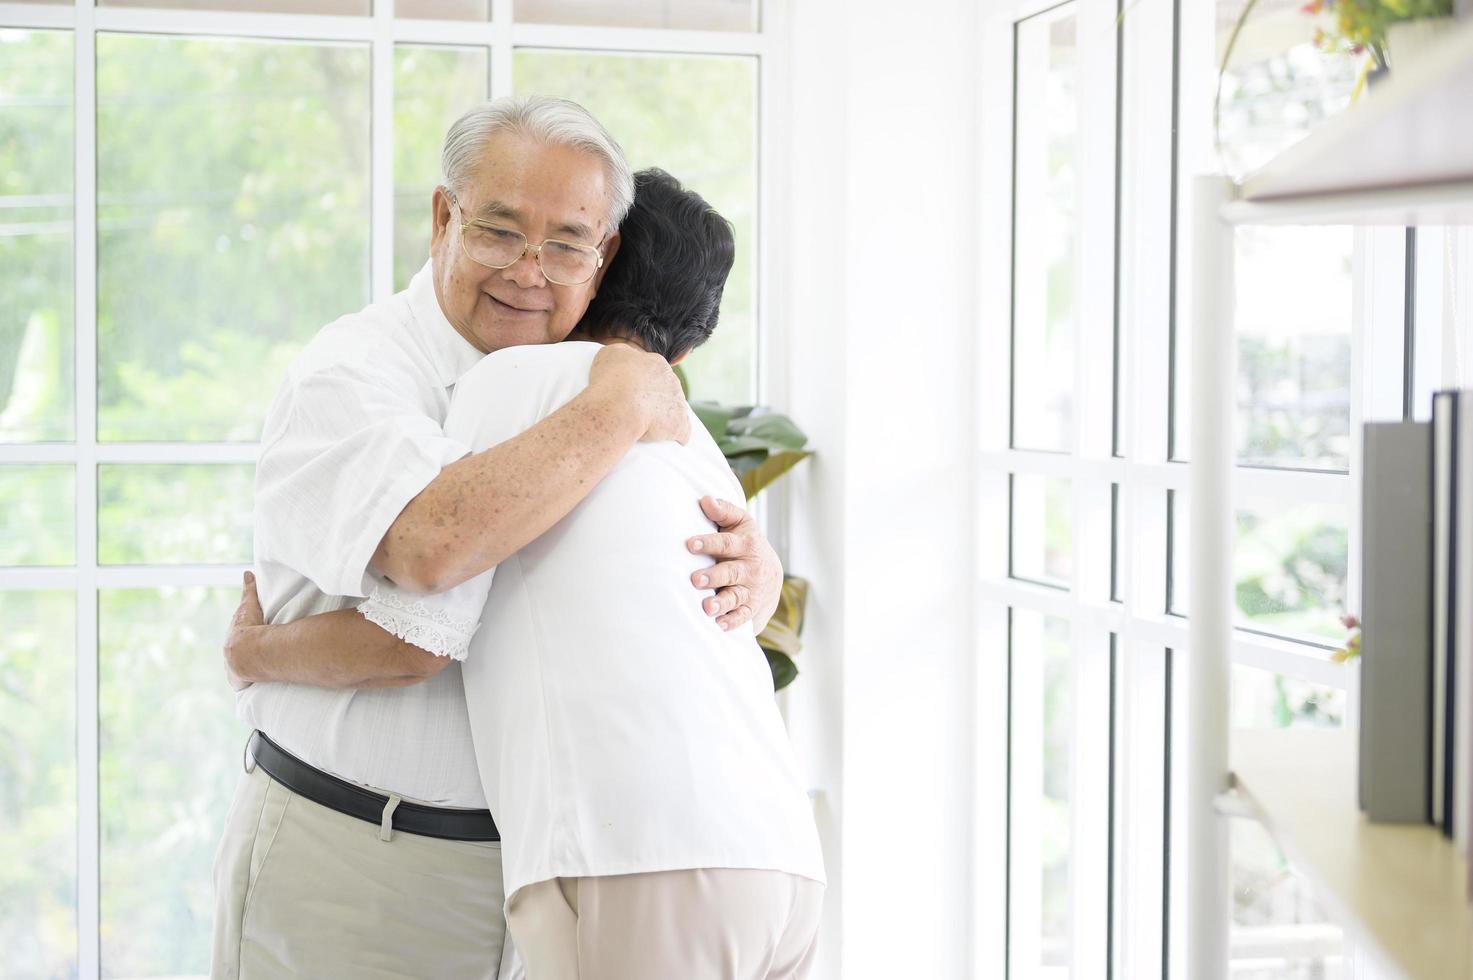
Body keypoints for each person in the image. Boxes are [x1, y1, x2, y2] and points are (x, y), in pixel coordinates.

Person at [211, 97, 785, 979]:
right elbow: (432, 559)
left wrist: (757, 564)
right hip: (361, 862)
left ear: (606, 257)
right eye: (500, 230)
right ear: (444, 218)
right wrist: (256, 656)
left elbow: (684, 571)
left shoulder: (585, 385)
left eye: (566, 244)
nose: (530, 270)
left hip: (544, 876)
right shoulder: (354, 374)